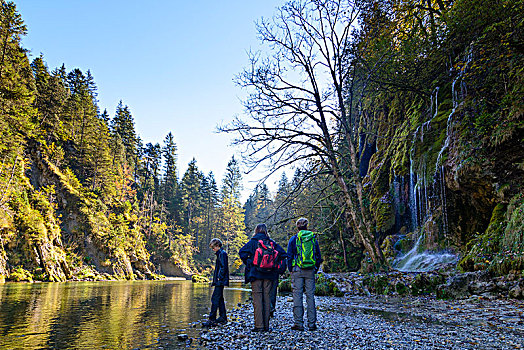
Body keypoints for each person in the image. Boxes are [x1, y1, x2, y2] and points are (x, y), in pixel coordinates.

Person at [239, 223, 286, 332]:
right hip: (270, 275)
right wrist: (277, 267)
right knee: (267, 298)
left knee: (257, 300)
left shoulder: (252, 242)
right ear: (266, 231)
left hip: (255, 274)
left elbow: (242, 252)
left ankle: (259, 326)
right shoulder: (272, 243)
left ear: (256, 231)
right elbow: (283, 255)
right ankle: (266, 326)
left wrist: (249, 262)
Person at [287, 217, 322, 331]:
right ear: (307, 226)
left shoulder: (294, 239)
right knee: (310, 297)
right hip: (310, 270)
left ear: (297, 227)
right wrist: (315, 268)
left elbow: (289, 255)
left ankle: (299, 323)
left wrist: (290, 269)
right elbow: (318, 256)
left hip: (297, 270)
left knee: (297, 296)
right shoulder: (312, 239)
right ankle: (312, 324)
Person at [202, 238, 229, 328]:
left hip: (220, 281)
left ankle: (212, 319)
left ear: (217, 246)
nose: (213, 249)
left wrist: (219, 277)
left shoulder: (222, 254)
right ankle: (223, 317)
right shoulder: (221, 253)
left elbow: (223, 267)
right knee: (220, 298)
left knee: (215, 299)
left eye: (213, 248)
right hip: (219, 280)